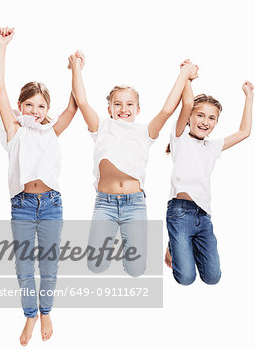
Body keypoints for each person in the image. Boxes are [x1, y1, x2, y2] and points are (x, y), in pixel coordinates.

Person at [69, 51, 198, 276]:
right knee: (95, 266)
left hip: (134, 204)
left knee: (136, 270)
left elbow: (168, 109)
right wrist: (77, 68)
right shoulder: (101, 127)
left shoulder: (145, 132)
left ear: (138, 110)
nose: (123, 109)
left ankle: (126, 240)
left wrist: (184, 73)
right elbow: (81, 101)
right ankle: (107, 240)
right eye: (117, 104)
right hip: (105, 203)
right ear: (109, 109)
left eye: (129, 104)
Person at [0, 27, 79, 345]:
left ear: (46, 110)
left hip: (52, 203)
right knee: (24, 266)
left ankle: (46, 311)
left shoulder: (51, 131)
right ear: (20, 105)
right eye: (29, 105)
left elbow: (73, 108)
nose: (34, 111)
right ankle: (30, 315)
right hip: (24, 205)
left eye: (40, 106)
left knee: (50, 265)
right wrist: (1, 46)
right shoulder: (14, 130)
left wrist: (76, 71)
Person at [165, 61, 254, 285]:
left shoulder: (211, 147)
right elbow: (186, 102)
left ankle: (177, 244)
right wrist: (187, 78)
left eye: (211, 118)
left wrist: (249, 97)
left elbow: (244, 132)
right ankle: (176, 242)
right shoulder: (179, 138)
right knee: (185, 278)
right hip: (180, 212)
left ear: (216, 122)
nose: (205, 122)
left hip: (204, 217)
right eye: (200, 116)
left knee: (213, 277)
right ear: (189, 119)